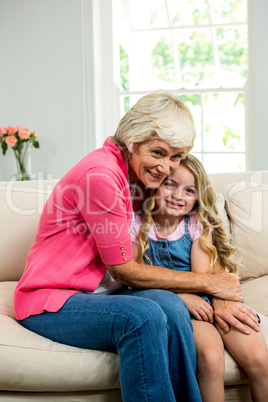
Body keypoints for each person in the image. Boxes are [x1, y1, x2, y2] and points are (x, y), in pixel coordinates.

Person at [14, 91, 259, 402]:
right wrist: (210, 283)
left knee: (170, 306)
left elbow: (201, 223)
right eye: (158, 152)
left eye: (176, 156)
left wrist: (219, 294)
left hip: (99, 296)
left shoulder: (137, 176)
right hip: (52, 301)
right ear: (131, 138)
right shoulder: (102, 175)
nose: (167, 167)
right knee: (143, 316)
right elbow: (124, 270)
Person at [130, 153, 268, 402]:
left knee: (260, 360)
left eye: (189, 190)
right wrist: (182, 298)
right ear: (154, 184)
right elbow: (134, 278)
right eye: (170, 184)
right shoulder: (137, 225)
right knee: (212, 360)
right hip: (183, 308)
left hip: (206, 296)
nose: (177, 195)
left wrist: (209, 298)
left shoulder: (196, 225)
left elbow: (202, 278)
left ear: (197, 198)